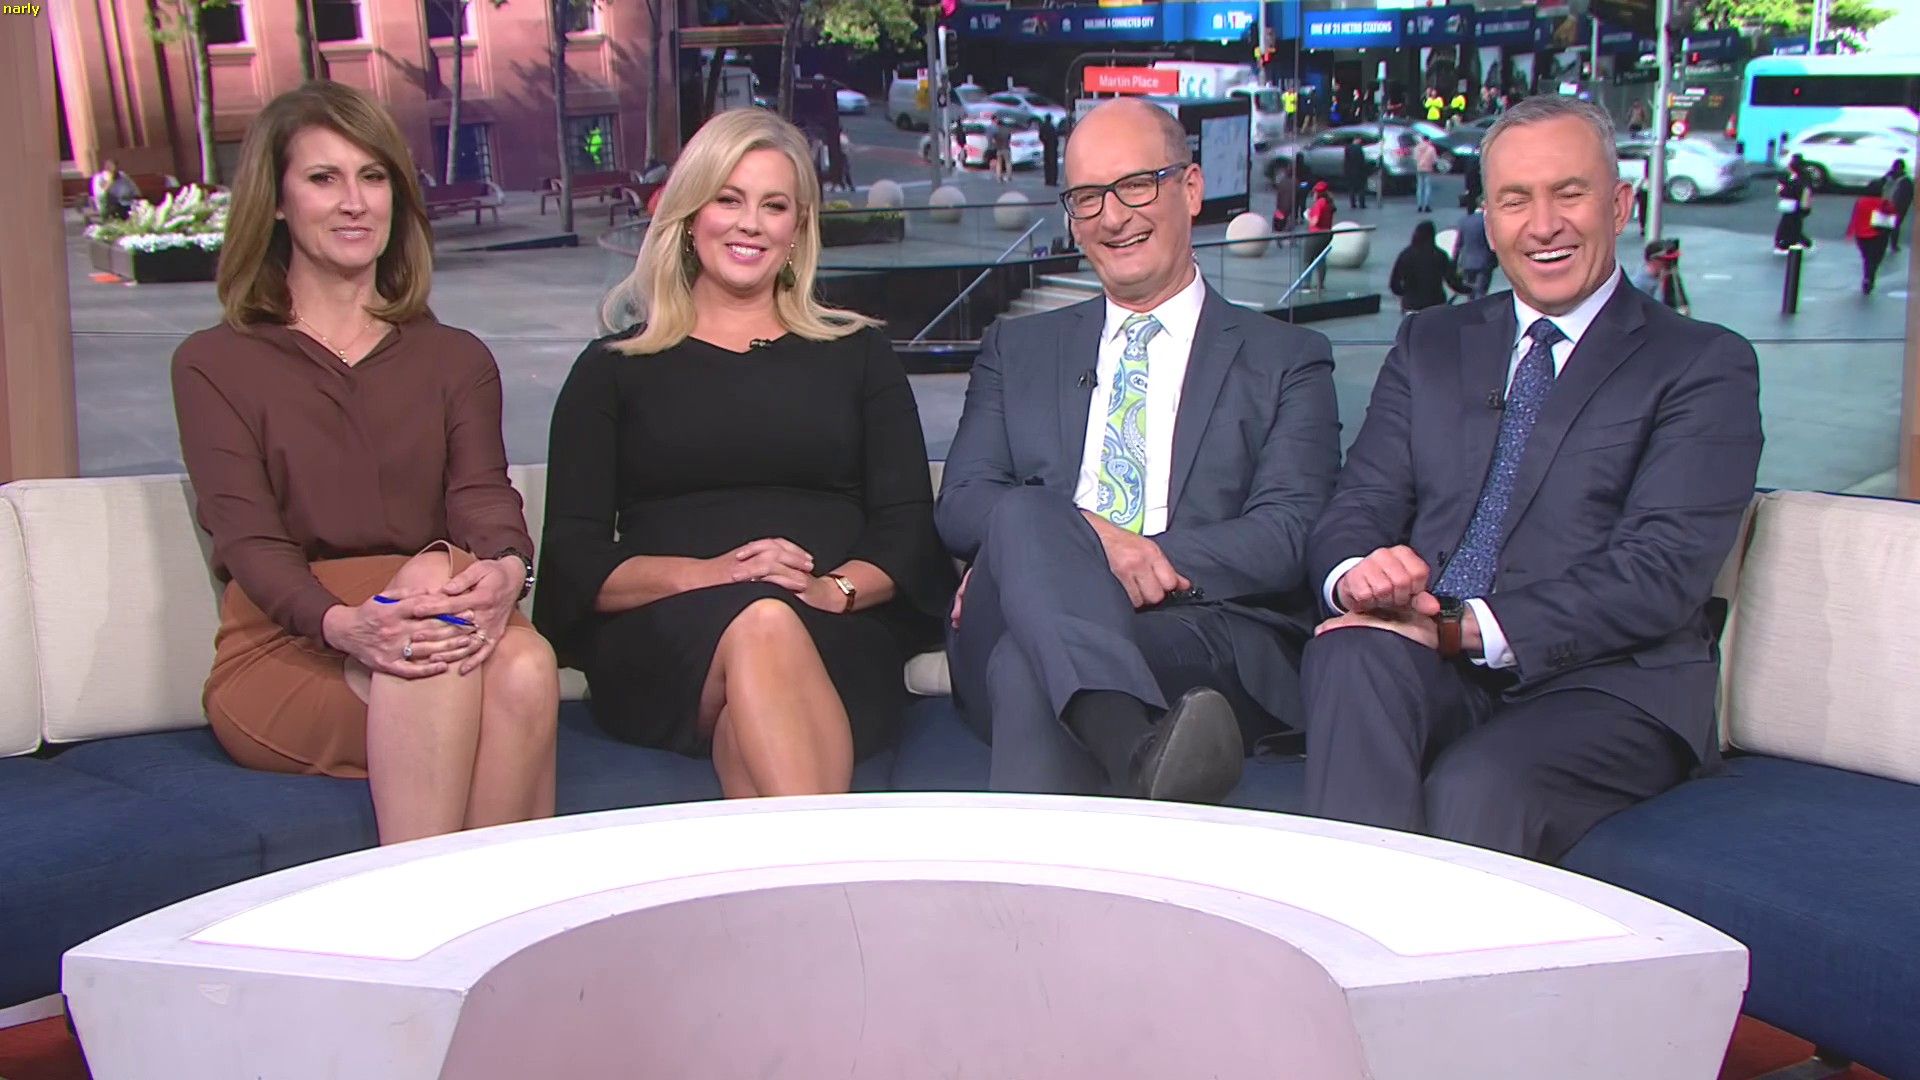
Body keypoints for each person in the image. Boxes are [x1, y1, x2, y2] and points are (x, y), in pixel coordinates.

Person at [1298, 94, 1764, 863]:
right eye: (1516, 201)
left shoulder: (1702, 364)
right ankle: (1351, 935)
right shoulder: (1429, 342)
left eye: (1568, 194)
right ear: (1489, 220)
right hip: (1434, 654)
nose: (1543, 225)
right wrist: (1359, 578)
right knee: (1349, 654)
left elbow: (1660, 571)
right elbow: (1361, 501)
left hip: (1608, 685)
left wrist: (1461, 627)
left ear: (1620, 205)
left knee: (1474, 786)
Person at [170, 81, 559, 845]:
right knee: (450, 631)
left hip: (433, 616)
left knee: (519, 662)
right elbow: (250, 541)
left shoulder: (455, 359)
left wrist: (510, 569)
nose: (354, 202)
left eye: (373, 177)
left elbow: (482, 495)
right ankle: (430, 905)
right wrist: (346, 624)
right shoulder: (214, 364)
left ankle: (455, 911)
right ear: (276, 202)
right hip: (292, 646)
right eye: (324, 178)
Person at [535, 109, 953, 798]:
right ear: (689, 217)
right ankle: (831, 864)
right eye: (728, 199)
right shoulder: (611, 368)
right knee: (762, 621)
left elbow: (907, 527)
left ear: (798, 230)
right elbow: (573, 558)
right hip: (665, 636)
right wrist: (714, 576)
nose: (750, 224)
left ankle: (799, 866)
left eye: (774, 206)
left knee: (754, 702)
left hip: (835, 626)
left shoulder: (859, 354)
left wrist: (831, 590)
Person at [936, 98, 1340, 800]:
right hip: (1017, 609)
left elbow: (1287, 532)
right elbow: (963, 501)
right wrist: (1087, 543)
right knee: (1029, 514)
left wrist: (1123, 559)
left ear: (1191, 188)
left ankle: (1112, 754)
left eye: (1135, 186)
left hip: (1198, 629)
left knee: (1031, 665)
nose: (1113, 217)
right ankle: (1136, 751)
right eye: (1088, 197)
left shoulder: (1287, 358)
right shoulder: (1018, 347)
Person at [1389, 219, 1470, 313]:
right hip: (1435, 303)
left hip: (1411, 305)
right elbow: (1452, 281)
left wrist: (1406, 294)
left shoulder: (1405, 255)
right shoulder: (1440, 255)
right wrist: (1467, 290)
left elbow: (1394, 284)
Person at [1846, 180, 1899, 295]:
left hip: (1861, 235)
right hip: (1878, 235)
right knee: (1876, 259)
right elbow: (1893, 213)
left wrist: (1850, 232)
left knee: (1867, 258)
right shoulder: (1883, 202)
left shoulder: (1861, 202)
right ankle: (1870, 278)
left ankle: (1867, 277)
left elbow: (1855, 216)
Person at [1451, 195, 1496, 299]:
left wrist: (1455, 262)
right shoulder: (1489, 222)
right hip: (1484, 262)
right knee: (1480, 292)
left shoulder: (1464, 221)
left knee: (1470, 292)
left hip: (1467, 262)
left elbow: (1458, 244)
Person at [1774, 155, 1813, 254]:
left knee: (1789, 226)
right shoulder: (1801, 177)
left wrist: (1782, 189)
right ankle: (1804, 243)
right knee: (1793, 226)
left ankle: (1784, 244)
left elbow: (1791, 192)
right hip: (1796, 207)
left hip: (1795, 207)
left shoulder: (1798, 180)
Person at [1304, 180, 1336, 291]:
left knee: (1307, 259)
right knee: (1321, 260)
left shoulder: (1319, 204)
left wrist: (1308, 216)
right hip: (1327, 234)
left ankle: (1306, 284)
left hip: (1316, 234)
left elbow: (1314, 221)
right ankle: (1320, 284)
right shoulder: (1329, 203)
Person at [1883, 159, 1912, 253]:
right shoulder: (1890, 177)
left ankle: (1891, 245)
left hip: (1892, 206)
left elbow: (1907, 197)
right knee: (1887, 226)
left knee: (1891, 226)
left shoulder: (1904, 180)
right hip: (1888, 205)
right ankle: (1889, 245)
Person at [1414, 135, 1439, 213]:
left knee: (1419, 187)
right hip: (1428, 168)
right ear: (1428, 140)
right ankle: (1426, 205)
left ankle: (1419, 205)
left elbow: (1415, 158)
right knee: (1427, 187)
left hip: (1419, 168)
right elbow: (1434, 160)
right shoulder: (1431, 148)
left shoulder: (1417, 148)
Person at [1343, 139, 1370, 210]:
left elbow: (1346, 161)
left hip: (1350, 171)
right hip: (1359, 171)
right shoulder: (1359, 149)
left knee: (1351, 188)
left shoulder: (1347, 148)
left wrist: (1346, 171)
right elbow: (1362, 161)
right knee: (1361, 188)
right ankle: (1362, 204)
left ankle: (1353, 204)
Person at [1038, 113, 1061, 187]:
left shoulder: (1043, 126)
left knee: (1047, 164)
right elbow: (1055, 137)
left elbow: (1040, 136)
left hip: (1046, 147)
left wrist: (1044, 142)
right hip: (1053, 148)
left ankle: (1047, 180)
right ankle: (1053, 181)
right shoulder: (1052, 127)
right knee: (1053, 165)